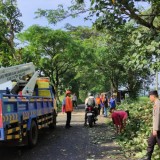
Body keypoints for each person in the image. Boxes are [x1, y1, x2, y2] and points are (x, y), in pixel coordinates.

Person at [141, 90, 160, 160]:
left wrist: (155, 129)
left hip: (158, 129)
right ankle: (148, 157)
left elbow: (157, 116)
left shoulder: (158, 103)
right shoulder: (156, 103)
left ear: (153, 96)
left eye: (149, 96)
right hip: (156, 128)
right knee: (150, 141)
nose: (149, 98)